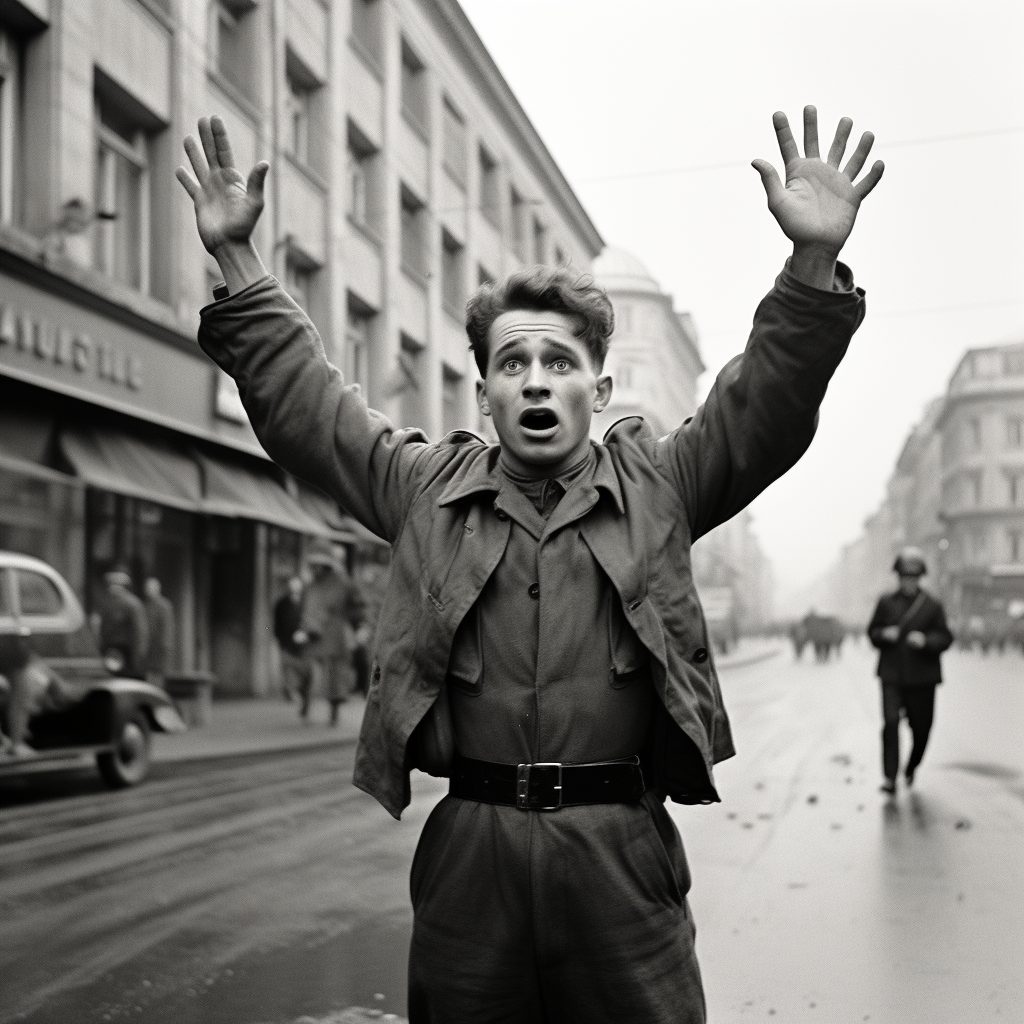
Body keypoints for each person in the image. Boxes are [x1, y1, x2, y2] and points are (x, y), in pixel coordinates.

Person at [177, 105, 883, 1023]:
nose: (537, 378)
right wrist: (238, 261)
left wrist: (811, 268)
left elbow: (767, 405)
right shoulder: (425, 488)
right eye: (514, 362)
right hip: (472, 858)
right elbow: (312, 409)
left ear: (600, 386)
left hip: (621, 857)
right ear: (484, 392)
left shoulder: (661, 483)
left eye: (560, 360)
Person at [867, 546, 953, 795]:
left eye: (913, 578)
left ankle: (912, 766)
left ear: (920, 578)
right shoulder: (885, 603)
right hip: (892, 675)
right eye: (905, 577)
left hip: (922, 678)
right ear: (898, 577)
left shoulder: (932, 605)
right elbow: (872, 632)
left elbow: (946, 637)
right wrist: (884, 634)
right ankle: (890, 778)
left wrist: (926, 641)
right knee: (890, 723)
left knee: (921, 728)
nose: (909, 582)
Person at [302, 545, 365, 725]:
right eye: (313, 565)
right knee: (308, 672)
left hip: (337, 636)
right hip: (312, 635)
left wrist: (360, 625)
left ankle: (333, 712)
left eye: (319, 565)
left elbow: (358, 606)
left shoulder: (343, 583)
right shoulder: (310, 586)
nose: (315, 569)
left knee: (336, 676)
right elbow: (304, 609)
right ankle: (306, 703)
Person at [96, 568, 149, 680]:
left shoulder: (132, 604)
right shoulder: (107, 603)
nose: (112, 588)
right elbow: (102, 627)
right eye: (110, 584)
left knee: (128, 680)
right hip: (110, 650)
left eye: (115, 585)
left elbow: (140, 631)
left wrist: (139, 653)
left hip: (127, 651)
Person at [273, 575, 314, 715]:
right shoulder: (281, 604)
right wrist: (279, 639)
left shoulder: (306, 603)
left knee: (306, 676)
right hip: (287, 645)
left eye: (297, 585)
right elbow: (275, 625)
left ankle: (305, 703)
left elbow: (312, 621)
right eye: (291, 585)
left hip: (305, 646)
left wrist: (306, 634)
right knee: (290, 673)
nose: (294, 588)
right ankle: (292, 692)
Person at [143, 576, 176, 687]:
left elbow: (167, 627)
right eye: (147, 587)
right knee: (149, 675)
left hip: (160, 647)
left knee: (159, 675)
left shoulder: (164, 605)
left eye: (150, 588)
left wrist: (165, 646)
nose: (148, 590)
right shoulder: (145, 605)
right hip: (149, 647)